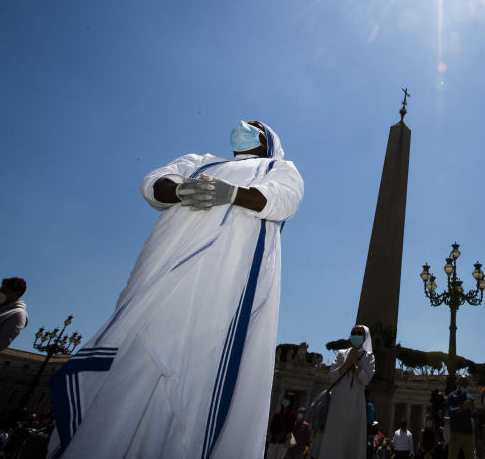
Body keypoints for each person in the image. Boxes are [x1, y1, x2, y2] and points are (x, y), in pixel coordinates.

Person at [46, 120, 304, 459]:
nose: (242, 127)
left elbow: (284, 200)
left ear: (268, 140)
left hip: (222, 278)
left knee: (195, 376)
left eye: (253, 126)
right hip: (162, 270)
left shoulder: (277, 167)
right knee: (135, 361)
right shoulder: (198, 162)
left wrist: (232, 194)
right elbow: (154, 183)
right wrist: (181, 190)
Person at [314, 325, 375, 459]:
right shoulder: (342, 353)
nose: (356, 335)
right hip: (337, 399)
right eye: (353, 332)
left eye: (359, 333)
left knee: (351, 437)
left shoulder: (369, 357)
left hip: (355, 402)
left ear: (365, 337)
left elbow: (365, 380)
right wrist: (347, 363)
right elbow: (332, 377)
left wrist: (355, 363)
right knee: (333, 434)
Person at [445, 375, 475, 459]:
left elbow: (473, 415)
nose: (466, 385)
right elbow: (450, 412)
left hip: (468, 432)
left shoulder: (469, 397)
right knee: (452, 456)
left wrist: (472, 409)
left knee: (470, 456)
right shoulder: (451, 396)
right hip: (456, 432)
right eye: (464, 383)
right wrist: (462, 407)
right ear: (458, 383)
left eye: (467, 383)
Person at [267, 393, 297, 459]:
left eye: (287, 400)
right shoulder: (277, 414)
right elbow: (272, 427)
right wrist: (275, 435)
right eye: (284, 399)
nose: (285, 401)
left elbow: (291, 427)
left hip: (284, 441)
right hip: (274, 440)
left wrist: (281, 435)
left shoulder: (292, 414)